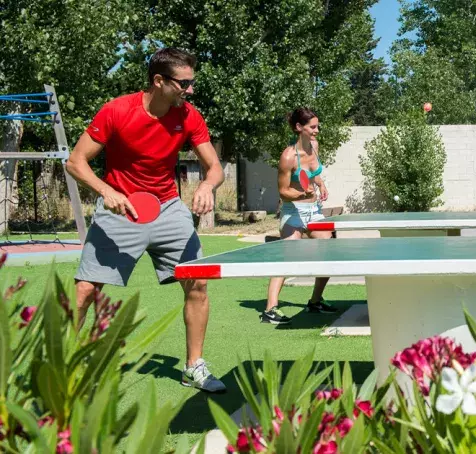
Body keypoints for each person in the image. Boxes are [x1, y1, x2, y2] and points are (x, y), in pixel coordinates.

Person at [66, 47, 226, 393]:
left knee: (197, 283)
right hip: (120, 208)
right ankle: (67, 366)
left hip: (168, 208)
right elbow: (75, 162)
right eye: (184, 83)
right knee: (85, 291)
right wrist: (106, 190)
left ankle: (193, 367)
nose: (190, 89)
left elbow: (214, 167)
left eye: (192, 81)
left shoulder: (189, 116)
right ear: (159, 80)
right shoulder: (116, 111)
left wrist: (208, 186)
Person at [262, 108, 339, 324]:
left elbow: (313, 174)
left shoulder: (314, 147)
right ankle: (270, 310)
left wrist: (320, 184)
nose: (317, 130)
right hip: (293, 212)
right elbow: (283, 192)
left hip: (314, 211)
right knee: (287, 258)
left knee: (329, 253)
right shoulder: (288, 156)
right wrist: (301, 193)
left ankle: (315, 301)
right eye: (312, 127)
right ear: (299, 128)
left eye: (317, 126)